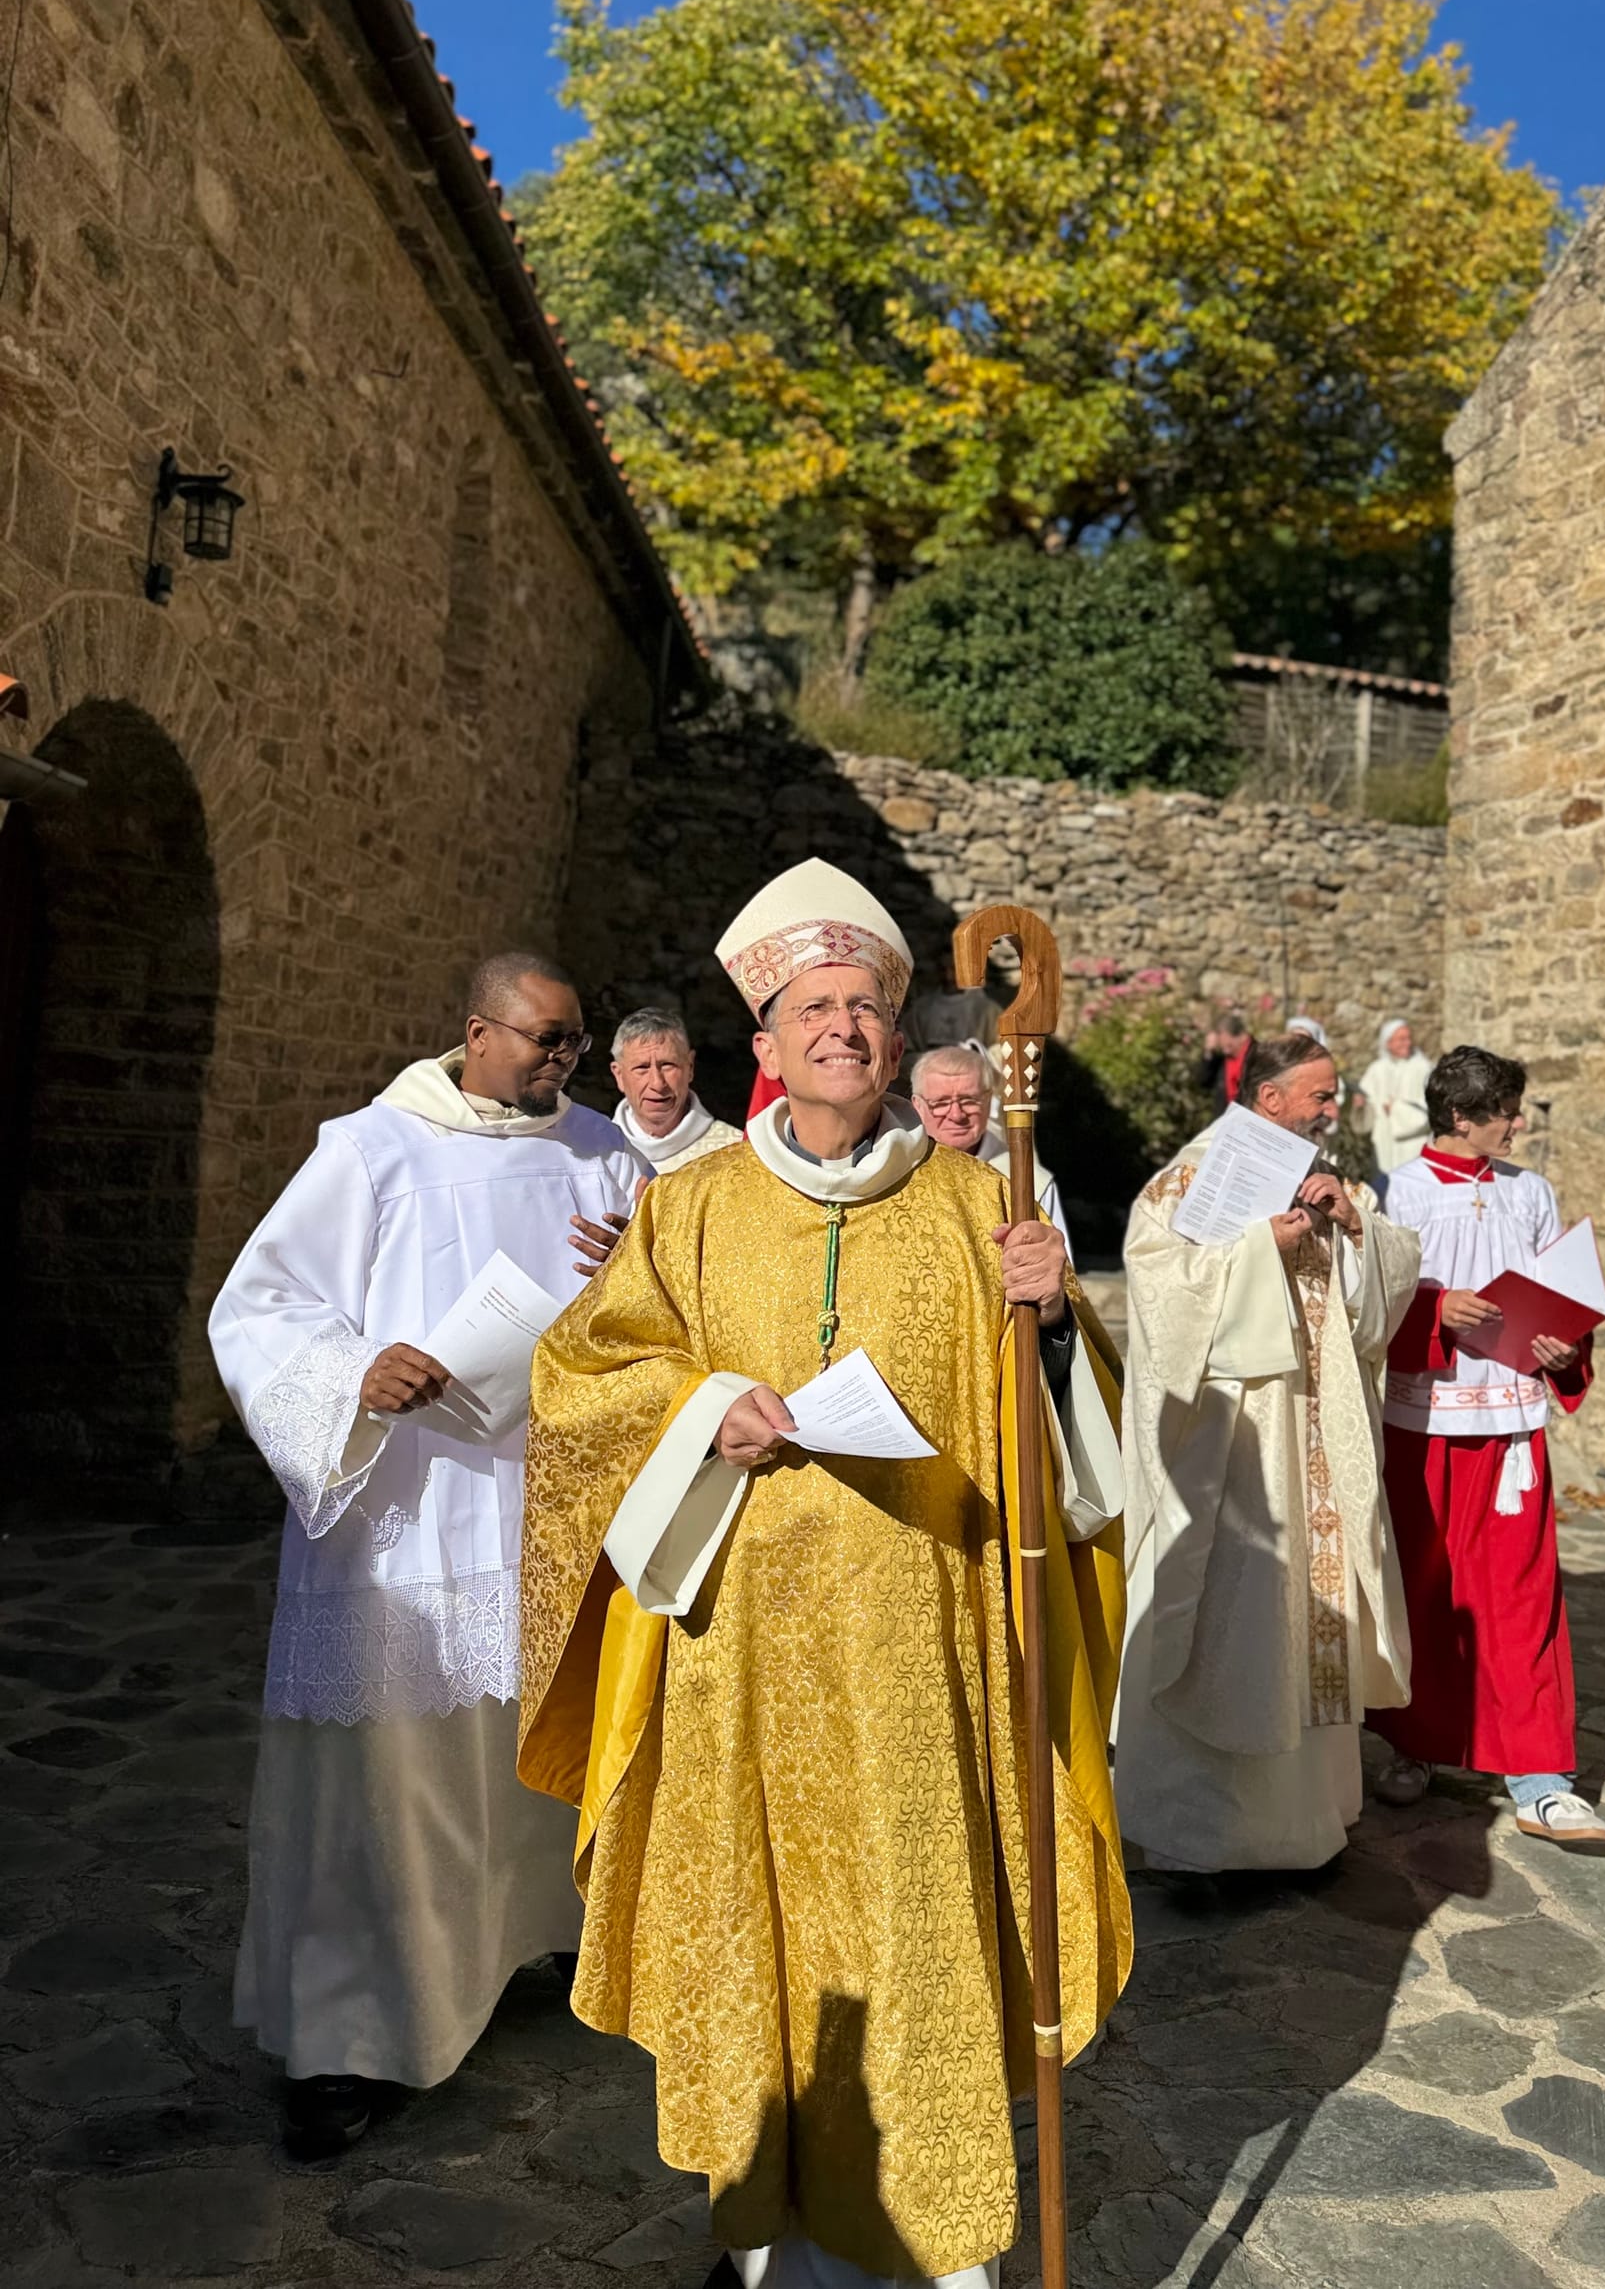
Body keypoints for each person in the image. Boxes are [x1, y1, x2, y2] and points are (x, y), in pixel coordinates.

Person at [519, 860, 1129, 2289]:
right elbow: (580, 1378)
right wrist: (697, 1410)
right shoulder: (690, 1208)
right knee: (765, 1934)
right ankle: (769, 2240)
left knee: (924, 1926)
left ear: (897, 1039)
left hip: (932, 1649)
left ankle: (938, 2246)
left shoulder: (981, 1204)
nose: (842, 1026)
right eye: (814, 1007)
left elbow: (1072, 1459)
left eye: (864, 1006)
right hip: (744, 1654)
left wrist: (1049, 1322)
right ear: (767, 1043)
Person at [208, 953, 649, 2157]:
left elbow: (672, 1307)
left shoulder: (606, 1154)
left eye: (575, 1040)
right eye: (545, 1039)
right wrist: (359, 1370)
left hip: (546, 1513)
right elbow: (259, 1307)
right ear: (476, 1031)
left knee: (524, 1763)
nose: (564, 1060)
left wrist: (640, 1269)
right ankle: (346, 2039)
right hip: (400, 1514)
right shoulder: (369, 1150)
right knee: (383, 1789)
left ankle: (522, 1946)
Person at [1116, 1031, 1421, 1872]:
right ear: (1268, 1099)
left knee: (1313, 1609)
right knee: (1236, 1616)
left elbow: (1386, 1286)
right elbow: (1160, 1291)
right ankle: (1205, 1836)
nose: (1333, 1108)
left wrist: (1353, 1225)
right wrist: (1262, 1251)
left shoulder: (1331, 1179)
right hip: (1235, 1447)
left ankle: (1307, 1823)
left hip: (1319, 1437)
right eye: (1319, 1094)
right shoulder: (1187, 1179)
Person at [1368, 1044, 1605, 1847]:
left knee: (1522, 1599)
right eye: (1504, 1112)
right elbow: (1365, 1304)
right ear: (1460, 1116)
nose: (1517, 1124)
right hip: (1422, 1421)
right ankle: (1414, 1744)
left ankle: (1540, 1777)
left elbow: (1563, 1294)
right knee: (1426, 1593)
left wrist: (1566, 1347)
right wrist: (1436, 1312)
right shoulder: (1396, 1192)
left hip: (1510, 1423)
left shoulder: (1529, 1191)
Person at [909, 1040, 1073, 1256]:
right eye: (941, 1102)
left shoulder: (1030, 1182)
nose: (956, 1115)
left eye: (969, 1100)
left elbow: (1061, 1268)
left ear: (989, 1101)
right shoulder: (894, 1171)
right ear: (917, 1106)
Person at [608, 1004, 741, 1175]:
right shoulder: (596, 1150)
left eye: (667, 1065)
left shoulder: (734, 1151)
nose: (657, 1084)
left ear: (690, 1067)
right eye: (642, 1067)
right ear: (619, 1075)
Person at [1355, 1017, 1434, 1181]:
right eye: (1401, 1039)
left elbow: (1431, 1106)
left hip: (1413, 1144)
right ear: (1388, 1043)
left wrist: (1397, 1110)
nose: (1407, 1043)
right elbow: (1366, 1106)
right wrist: (1360, 1106)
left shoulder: (1423, 1068)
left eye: (1408, 1038)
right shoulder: (1376, 1069)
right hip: (1384, 1143)